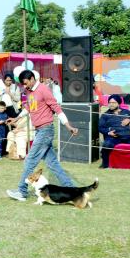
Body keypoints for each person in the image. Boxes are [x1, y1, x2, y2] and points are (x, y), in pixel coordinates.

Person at [6, 70, 79, 202]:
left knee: (29, 160)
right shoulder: (29, 92)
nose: (25, 86)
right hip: (39, 130)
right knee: (53, 165)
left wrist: (68, 126)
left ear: (32, 78)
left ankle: (22, 192)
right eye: (23, 84)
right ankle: (73, 191)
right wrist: (16, 119)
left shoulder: (44, 89)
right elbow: (29, 107)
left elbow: (57, 108)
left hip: (46, 130)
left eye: (26, 83)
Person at [99, 94, 130, 169]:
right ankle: (105, 164)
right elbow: (101, 127)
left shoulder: (126, 112)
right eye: (110, 102)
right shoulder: (105, 115)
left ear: (118, 103)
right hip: (114, 137)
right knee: (106, 145)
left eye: (113, 103)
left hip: (129, 137)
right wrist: (108, 132)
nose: (111, 104)